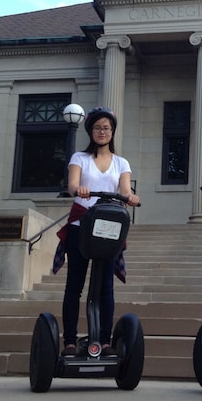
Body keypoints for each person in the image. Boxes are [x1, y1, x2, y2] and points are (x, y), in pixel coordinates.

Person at [54, 107, 140, 356]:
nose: (102, 132)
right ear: (90, 131)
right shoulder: (79, 158)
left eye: (107, 128)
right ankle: (70, 341)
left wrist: (131, 197)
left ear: (112, 132)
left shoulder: (121, 162)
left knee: (105, 287)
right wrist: (79, 189)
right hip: (82, 225)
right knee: (75, 285)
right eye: (97, 128)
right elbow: (72, 184)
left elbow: (124, 189)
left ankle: (104, 340)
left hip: (109, 228)